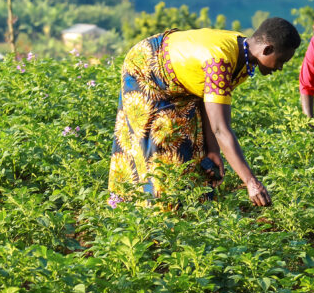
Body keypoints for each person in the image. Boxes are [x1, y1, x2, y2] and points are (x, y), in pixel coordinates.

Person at [109, 17, 300, 206]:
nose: (280, 68)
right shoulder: (221, 60)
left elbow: (209, 104)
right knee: (163, 144)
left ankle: (190, 214)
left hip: (180, 84)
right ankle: (149, 214)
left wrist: (213, 151)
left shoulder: (243, 55)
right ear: (267, 50)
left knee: (196, 145)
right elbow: (220, 129)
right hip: (147, 69)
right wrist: (251, 182)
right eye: (281, 61)